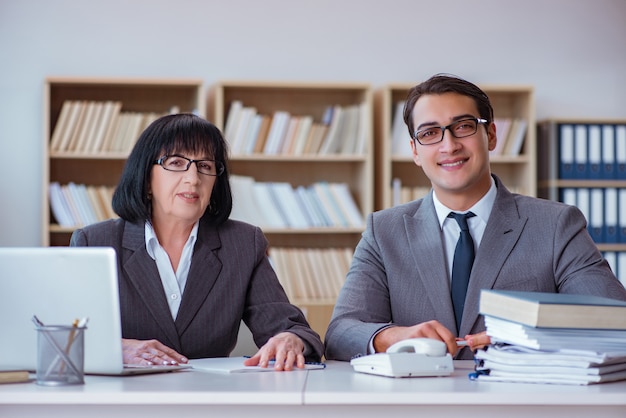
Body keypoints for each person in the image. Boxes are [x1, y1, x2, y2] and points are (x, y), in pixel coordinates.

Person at [324, 74, 626, 361]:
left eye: (464, 126)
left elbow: (613, 318)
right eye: (430, 133)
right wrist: (391, 337)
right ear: (415, 151)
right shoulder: (384, 231)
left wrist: (524, 334)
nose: (449, 145)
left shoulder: (556, 225)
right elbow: (341, 333)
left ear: (491, 135)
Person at [70, 113, 324, 370]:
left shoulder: (243, 244)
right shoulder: (95, 243)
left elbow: (291, 328)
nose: (193, 178)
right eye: (177, 163)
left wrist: (289, 339)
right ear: (146, 178)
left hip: (209, 400)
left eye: (205, 166)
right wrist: (116, 349)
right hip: (122, 402)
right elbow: (61, 336)